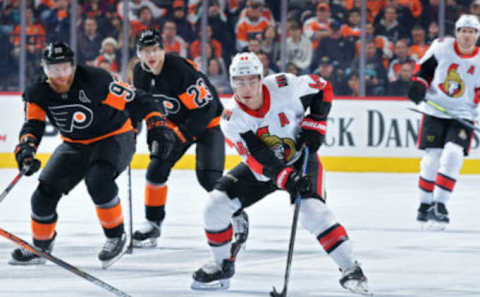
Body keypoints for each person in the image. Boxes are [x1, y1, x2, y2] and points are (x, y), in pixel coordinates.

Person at [191, 52, 371, 296]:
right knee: (214, 205)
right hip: (266, 170)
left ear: (261, 78)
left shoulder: (284, 86)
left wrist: (316, 123)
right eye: (239, 81)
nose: (246, 88)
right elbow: (257, 159)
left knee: (313, 213)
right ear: (232, 82)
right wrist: (286, 178)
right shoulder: (232, 118)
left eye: (251, 80)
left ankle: (351, 269)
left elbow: (323, 88)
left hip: (300, 160)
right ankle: (223, 265)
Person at [10, 42, 169, 267]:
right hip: (75, 144)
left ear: (74, 67)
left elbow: (139, 100)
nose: (60, 76)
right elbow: (32, 126)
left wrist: (157, 125)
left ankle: (115, 236)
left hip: (114, 137)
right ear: (45, 70)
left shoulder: (96, 81)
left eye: (65, 69)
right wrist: (26, 150)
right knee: (43, 194)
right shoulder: (38, 92)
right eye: (54, 70)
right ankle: (41, 246)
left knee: (98, 180)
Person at [132, 29, 249, 249]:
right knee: (156, 168)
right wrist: (134, 129)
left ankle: (237, 216)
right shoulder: (140, 73)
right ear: (139, 54)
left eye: (156, 49)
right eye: (146, 51)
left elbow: (207, 108)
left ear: (163, 50)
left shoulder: (178, 70)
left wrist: (182, 134)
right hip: (175, 123)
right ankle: (152, 223)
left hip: (208, 123)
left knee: (208, 179)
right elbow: (144, 107)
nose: (152, 56)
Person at [407, 14, 480, 229]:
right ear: (457, 33)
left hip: (463, 115)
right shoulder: (441, 47)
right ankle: (424, 204)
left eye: (472, 32)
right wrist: (418, 85)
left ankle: (439, 205)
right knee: (432, 159)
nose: (467, 36)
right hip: (435, 111)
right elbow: (423, 72)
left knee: (453, 154)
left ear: (477, 35)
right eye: (463, 31)